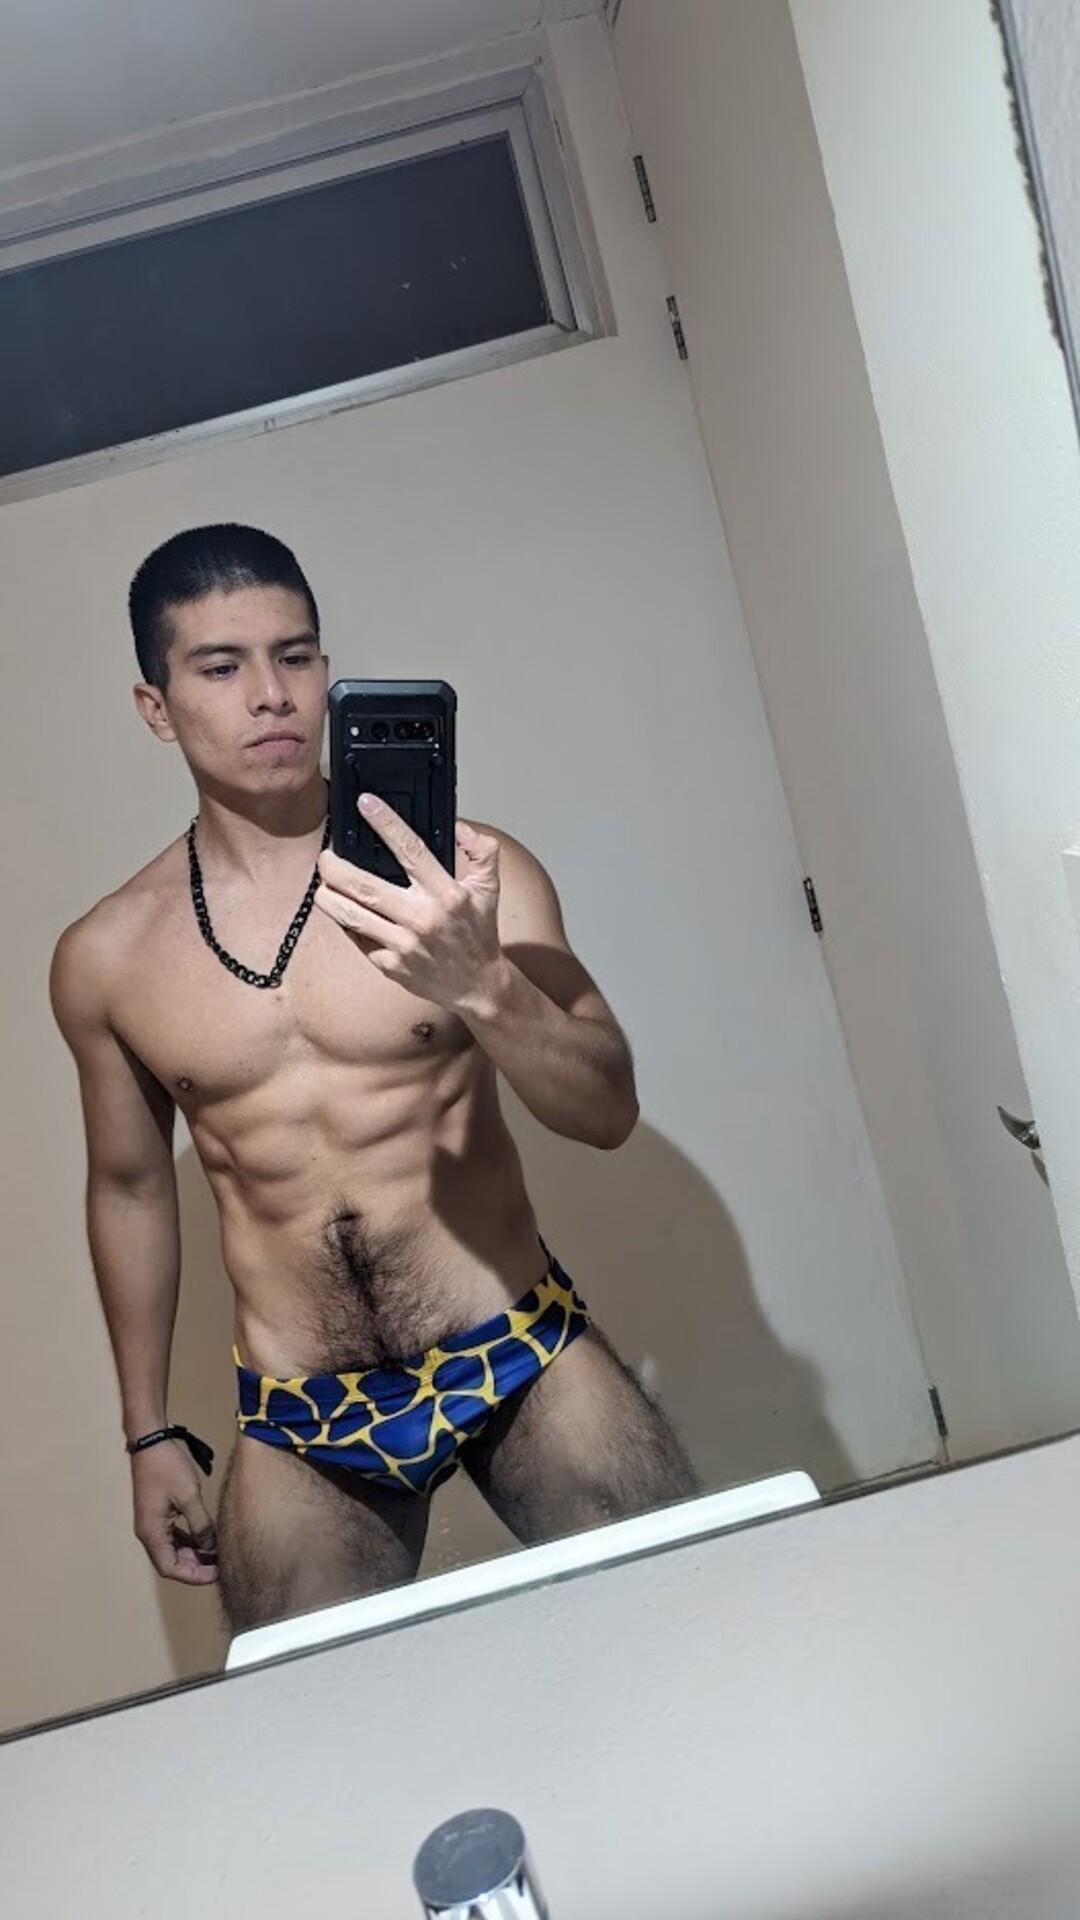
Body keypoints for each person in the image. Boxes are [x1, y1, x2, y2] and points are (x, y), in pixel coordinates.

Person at [50, 524, 697, 1632]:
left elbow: (607, 1110)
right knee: (310, 1710)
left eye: (295, 656)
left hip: (512, 1347)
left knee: (688, 1618)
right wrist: (147, 1431)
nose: (271, 695)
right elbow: (130, 1187)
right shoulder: (107, 957)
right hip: (304, 1408)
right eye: (221, 666)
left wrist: (483, 983)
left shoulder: (468, 876)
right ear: (157, 706)